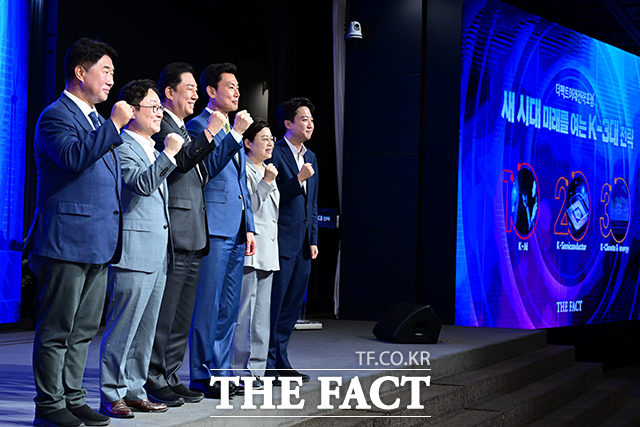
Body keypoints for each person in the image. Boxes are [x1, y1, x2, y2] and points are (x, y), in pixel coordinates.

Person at [25, 37, 133, 427]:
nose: (111, 80)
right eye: (105, 71)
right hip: (64, 241)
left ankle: (72, 397)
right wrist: (115, 124)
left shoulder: (96, 122)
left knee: (83, 330)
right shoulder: (55, 115)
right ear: (80, 71)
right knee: (57, 329)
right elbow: (72, 158)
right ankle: (48, 405)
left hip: (97, 242)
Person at [144, 62, 240, 407]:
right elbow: (181, 163)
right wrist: (212, 134)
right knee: (167, 311)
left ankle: (171, 373)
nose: (195, 96)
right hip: (175, 227)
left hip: (195, 230)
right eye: (190, 89)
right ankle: (154, 376)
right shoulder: (164, 126)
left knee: (182, 314)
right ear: (169, 92)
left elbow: (204, 171)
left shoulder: (184, 128)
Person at [99, 79, 184, 418]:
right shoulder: (122, 146)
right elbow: (141, 184)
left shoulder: (150, 147)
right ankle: (111, 392)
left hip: (157, 251)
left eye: (160, 108)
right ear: (132, 111)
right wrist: (170, 154)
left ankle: (134, 390)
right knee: (123, 327)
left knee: (146, 329)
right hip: (133, 251)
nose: (160, 114)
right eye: (154, 107)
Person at [186, 63, 256, 398]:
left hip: (236, 227)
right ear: (211, 91)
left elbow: (242, 183)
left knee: (229, 307)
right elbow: (207, 171)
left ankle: (223, 371)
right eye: (230, 86)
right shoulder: (199, 126)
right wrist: (235, 135)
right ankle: (201, 373)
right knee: (208, 304)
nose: (237, 92)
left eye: (238, 87)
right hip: (213, 226)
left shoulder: (232, 128)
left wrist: (250, 227)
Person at [265, 97, 319, 384]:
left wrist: (313, 239)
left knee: (292, 307)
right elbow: (273, 197)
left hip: (303, 244)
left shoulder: (311, 157)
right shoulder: (275, 152)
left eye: (311, 119)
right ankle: (267, 364)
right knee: (276, 304)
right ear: (288, 123)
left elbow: (312, 204)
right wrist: (298, 179)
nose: (310, 124)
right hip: (281, 240)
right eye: (303, 119)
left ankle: (282, 360)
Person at [230, 119, 280, 388]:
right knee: (244, 314)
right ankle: (240, 371)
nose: (270, 143)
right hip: (250, 251)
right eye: (264, 138)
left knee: (261, 317)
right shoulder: (245, 168)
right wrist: (267, 182)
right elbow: (248, 208)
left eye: (272, 138)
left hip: (268, 252)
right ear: (248, 143)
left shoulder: (266, 169)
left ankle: (257, 370)